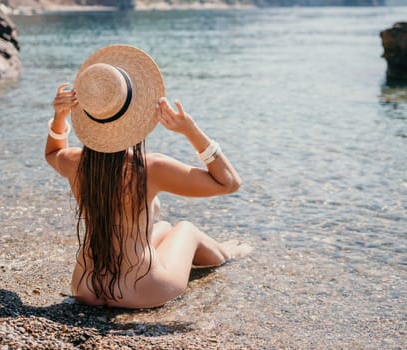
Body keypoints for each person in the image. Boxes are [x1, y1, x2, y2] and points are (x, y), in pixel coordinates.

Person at [44, 45, 251, 309]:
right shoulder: (149, 168)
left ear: (90, 114)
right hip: (142, 290)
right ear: (137, 115)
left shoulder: (76, 162)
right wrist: (191, 131)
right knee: (186, 229)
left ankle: (203, 247)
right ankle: (226, 254)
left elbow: (53, 152)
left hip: (86, 287)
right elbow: (229, 182)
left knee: (161, 228)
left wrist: (59, 117)